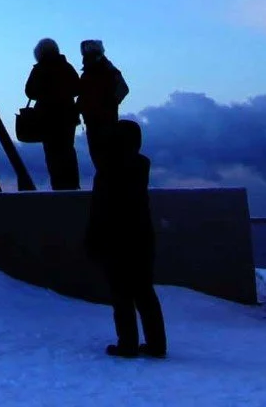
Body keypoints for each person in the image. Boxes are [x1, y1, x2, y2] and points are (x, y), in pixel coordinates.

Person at [84, 119, 165, 359]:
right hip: (141, 237)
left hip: (116, 238)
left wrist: (93, 238)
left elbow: (100, 208)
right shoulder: (140, 166)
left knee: (121, 294)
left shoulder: (108, 170)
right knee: (144, 292)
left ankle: (127, 344)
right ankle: (156, 344)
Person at [24, 37, 83, 190]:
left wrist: (45, 93)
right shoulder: (66, 67)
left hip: (47, 118)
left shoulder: (39, 69)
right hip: (67, 117)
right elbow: (77, 88)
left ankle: (58, 186)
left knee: (52, 154)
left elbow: (29, 91)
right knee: (68, 151)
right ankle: (73, 185)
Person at [77, 39, 129, 168]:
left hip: (106, 120)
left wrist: (109, 103)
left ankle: (108, 184)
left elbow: (123, 89)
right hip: (92, 119)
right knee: (99, 157)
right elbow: (83, 96)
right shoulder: (88, 74)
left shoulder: (108, 71)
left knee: (106, 157)